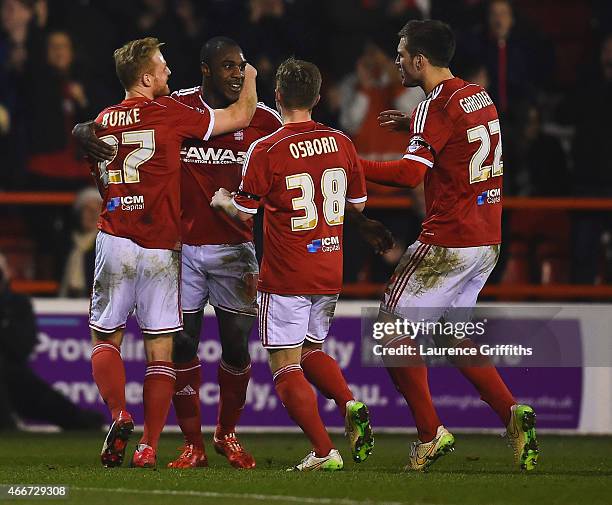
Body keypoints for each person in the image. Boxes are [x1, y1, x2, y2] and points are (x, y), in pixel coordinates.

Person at [359, 20, 539, 471]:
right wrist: (416, 127)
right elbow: (458, 141)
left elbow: (408, 176)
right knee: (453, 335)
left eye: (401, 54)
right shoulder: (478, 94)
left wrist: (348, 163)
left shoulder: (434, 107)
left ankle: (429, 434)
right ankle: (511, 413)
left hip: (450, 238)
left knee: (390, 329)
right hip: (487, 239)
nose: (397, 61)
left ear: (419, 60)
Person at [87, 36, 257, 469]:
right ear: (145, 77)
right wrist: (252, 76)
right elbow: (240, 115)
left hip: (115, 237)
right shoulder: (169, 113)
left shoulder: (104, 119)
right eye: (161, 66)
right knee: (161, 352)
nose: (168, 71)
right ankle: (147, 445)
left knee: (106, 338)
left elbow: (97, 170)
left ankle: (118, 414)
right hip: (162, 247)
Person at [212, 57, 374, 471]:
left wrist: (221, 201)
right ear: (318, 98)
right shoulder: (343, 142)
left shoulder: (265, 149)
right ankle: (348, 402)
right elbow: (356, 205)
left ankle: (323, 451)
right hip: (330, 268)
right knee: (312, 350)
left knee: (285, 364)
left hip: (287, 273)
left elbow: (245, 212)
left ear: (278, 96)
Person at [0, 251, 104, 431]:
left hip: (12, 375)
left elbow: (21, 348)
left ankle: (79, 420)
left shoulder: (17, 304)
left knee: (36, 392)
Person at [59, 187, 101, 297]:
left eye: (97, 210)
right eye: (87, 209)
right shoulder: (66, 242)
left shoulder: (109, 243)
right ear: (79, 213)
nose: (92, 214)